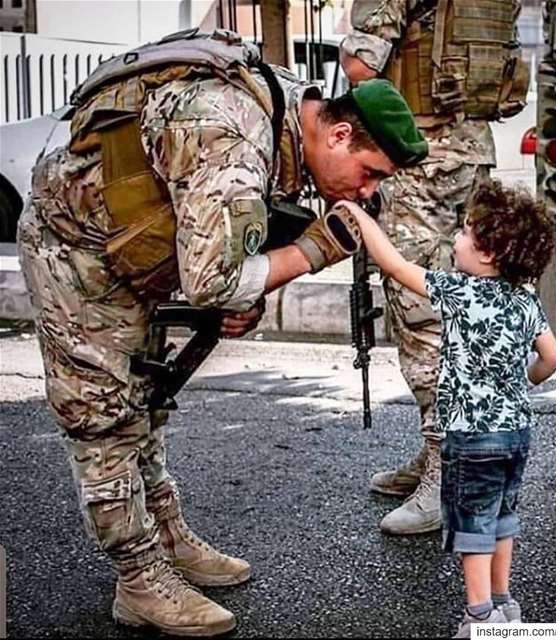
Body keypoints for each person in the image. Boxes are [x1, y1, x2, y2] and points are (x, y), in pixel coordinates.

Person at [17, 29, 427, 638]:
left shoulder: (290, 107)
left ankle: (166, 534)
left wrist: (247, 291)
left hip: (138, 251)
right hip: (77, 251)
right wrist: (314, 251)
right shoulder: (234, 132)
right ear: (339, 134)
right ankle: (139, 577)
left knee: (147, 401)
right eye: (369, 174)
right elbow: (214, 280)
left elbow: (231, 247)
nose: (366, 192)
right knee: (103, 415)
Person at [339, 180, 556, 637]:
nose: (455, 240)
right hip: (516, 433)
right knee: (502, 518)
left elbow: (396, 265)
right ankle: (504, 604)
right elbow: (553, 356)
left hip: (471, 435)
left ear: (487, 254)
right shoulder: (524, 299)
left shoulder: (460, 291)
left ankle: (479, 617)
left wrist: (362, 219)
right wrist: (524, 380)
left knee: (472, 528)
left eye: (464, 232)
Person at [340, 0, 528, 535]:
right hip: (472, 155)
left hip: (419, 156)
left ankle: (448, 468)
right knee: (463, 309)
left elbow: (361, 67)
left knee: (422, 312)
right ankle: (439, 453)